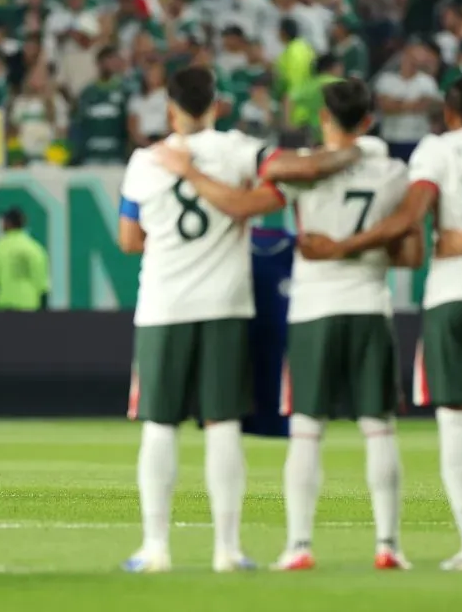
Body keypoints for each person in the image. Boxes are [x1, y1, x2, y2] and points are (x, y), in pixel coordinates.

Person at [119, 66, 361, 573]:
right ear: (216, 106)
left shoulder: (145, 161)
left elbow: (129, 240)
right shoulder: (239, 150)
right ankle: (227, 550)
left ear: (170, 108)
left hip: (163, 305)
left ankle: (155, 549)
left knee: (159, 425)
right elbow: (292, 169)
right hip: (225, 304)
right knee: (223, 423)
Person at [296, 75, 462, 570]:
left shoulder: (436, 151)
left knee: (455, 422)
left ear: (447, 115)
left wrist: (340, 247)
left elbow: (409, 216)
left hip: (450, 297)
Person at [0, 208, 50, 311]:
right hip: (30, 308)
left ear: (7, 223)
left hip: (3, 308)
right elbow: (42, 285)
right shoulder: (36, 249)